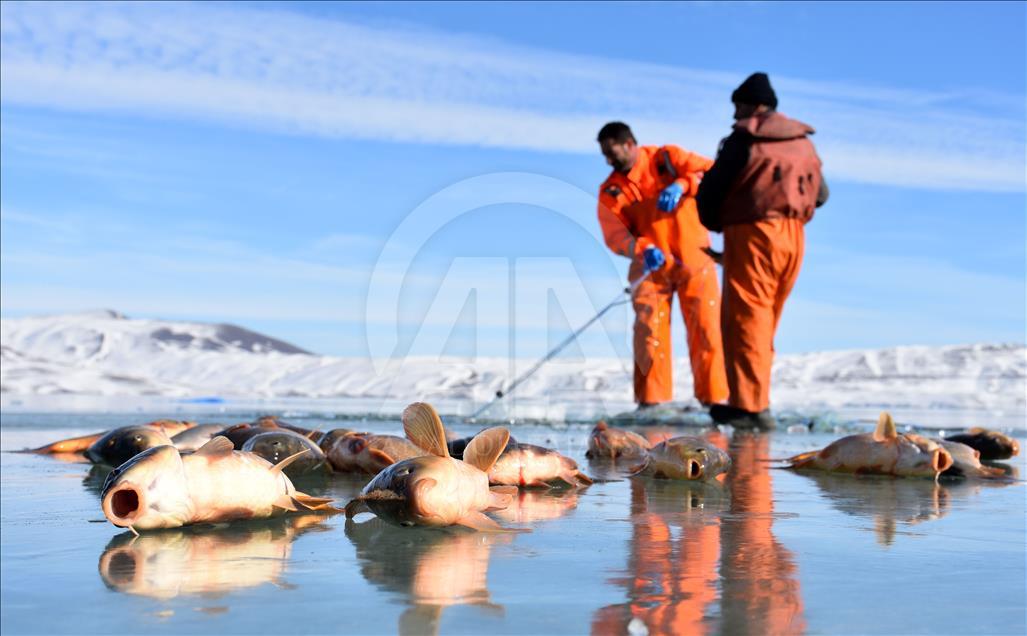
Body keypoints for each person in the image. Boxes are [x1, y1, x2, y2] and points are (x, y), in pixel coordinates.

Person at [696, 72, 829, 429]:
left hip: (753, 232)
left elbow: (712, 187)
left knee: (745, 321)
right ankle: (754, 400)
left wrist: (714, 223)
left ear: (755, 105)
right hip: (794, 238)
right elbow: (822, 194)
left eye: (737, 107)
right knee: (766, 321)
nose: (734, 116)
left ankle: (750, 408)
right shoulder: (803, 143)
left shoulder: (744, 140)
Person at [597, 122, 728, 409]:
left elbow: (714, 171)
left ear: (630, 144)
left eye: (612, 152)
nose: (609, 160)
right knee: (648, 333)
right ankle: (652, 405)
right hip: (651, 266)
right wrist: (641, 248)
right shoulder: (611, 190)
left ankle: (715, 402)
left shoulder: (667, 159)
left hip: (695, 259)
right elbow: (615, 234)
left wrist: (683, 184)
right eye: (604, 154)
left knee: (707, 330)